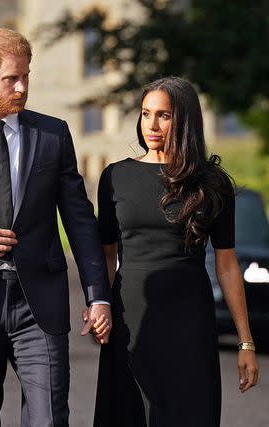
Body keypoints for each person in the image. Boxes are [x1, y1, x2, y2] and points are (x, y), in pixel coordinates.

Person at [0, 28, 112, 427]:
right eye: (10, 79)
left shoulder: (52, 134)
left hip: (38, 305)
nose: (22, 88)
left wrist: (97, 295)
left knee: (50, 419)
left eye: (26, 76)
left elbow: (79, 219)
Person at [93, 76, 259, 427]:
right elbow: (106, 255)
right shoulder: (115, 177)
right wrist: (99, 305)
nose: (151, 125)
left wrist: (245, 342)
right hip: (130, 320)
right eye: (145, 113)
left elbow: (227, 265)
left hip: (189, 323)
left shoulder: (212, 183)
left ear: (184, 120)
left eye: (164, 116)